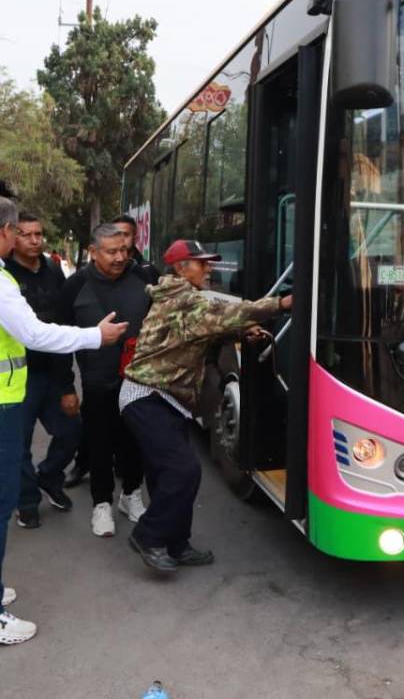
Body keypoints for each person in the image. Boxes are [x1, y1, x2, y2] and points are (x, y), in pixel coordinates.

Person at [0, 197, 126, 645]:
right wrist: (97, 335)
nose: (22, 238)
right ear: (6, 231)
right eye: (19, 231)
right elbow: (34, 333)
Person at [120, 239, 292, 573]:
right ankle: (148, 536)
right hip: (147, 395)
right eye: (202, 263)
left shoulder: (183, 298)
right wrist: (282, 303)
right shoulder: (184, 299)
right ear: (181, 268)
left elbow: (203, 332)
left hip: (168, 398)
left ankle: (177, 544)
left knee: (167, 475)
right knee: (184, 471)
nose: (210, 268)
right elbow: (229, 313)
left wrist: (241, 332)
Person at [59, 223, 154, 537]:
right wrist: (66, 387)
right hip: (97, 384)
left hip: (138, 382)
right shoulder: (75, 286)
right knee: (99, 445)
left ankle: (131, 495)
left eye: (124, 250)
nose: (119, 257)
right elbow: (57, 340)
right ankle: (101, 505)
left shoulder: (143, 279)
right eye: (111, 251)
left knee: (134, 443)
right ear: (93, 252)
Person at [4, 212, 82, 528]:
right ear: (12, 236)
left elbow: (63, 323)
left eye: (39, 234)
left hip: (53, 372)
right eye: (26, 234)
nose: (35, 240)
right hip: (17, 375)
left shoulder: (52, 270)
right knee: (18, 444)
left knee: (73, 431)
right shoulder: (1, 274)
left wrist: (67, 384)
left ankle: (49, 478)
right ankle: (26, 501)